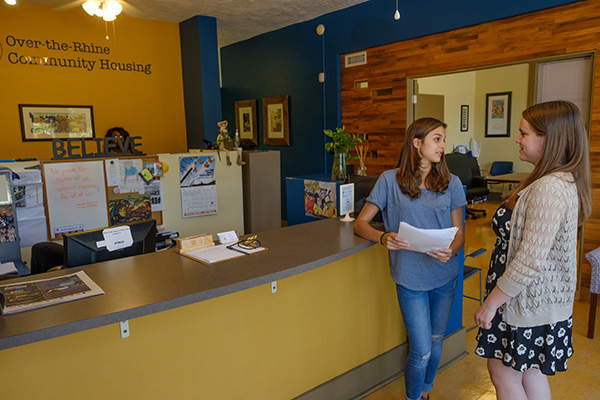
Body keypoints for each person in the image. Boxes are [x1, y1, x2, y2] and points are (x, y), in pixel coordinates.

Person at [474, 100, 592, 400]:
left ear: (548, 139)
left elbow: (528, 262)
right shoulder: (551, 181)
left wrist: (491, 303)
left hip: (523, 304)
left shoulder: (548, 189)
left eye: (524, 133)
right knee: (528, 373)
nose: (517, 139)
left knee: (503, 374)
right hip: (527, 303)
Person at [354, 117, 466, 400]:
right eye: (437, 139)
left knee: (436, 340)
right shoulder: (389, 180)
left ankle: (426, 392)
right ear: (417, 143)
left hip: (444, 275)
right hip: (410, 278)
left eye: (443, 139)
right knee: (421, 350)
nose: (443, 145)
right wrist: (383, 237)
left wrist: (451, 250)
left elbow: (460, 234)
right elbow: (361, 224)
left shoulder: (452, 183)